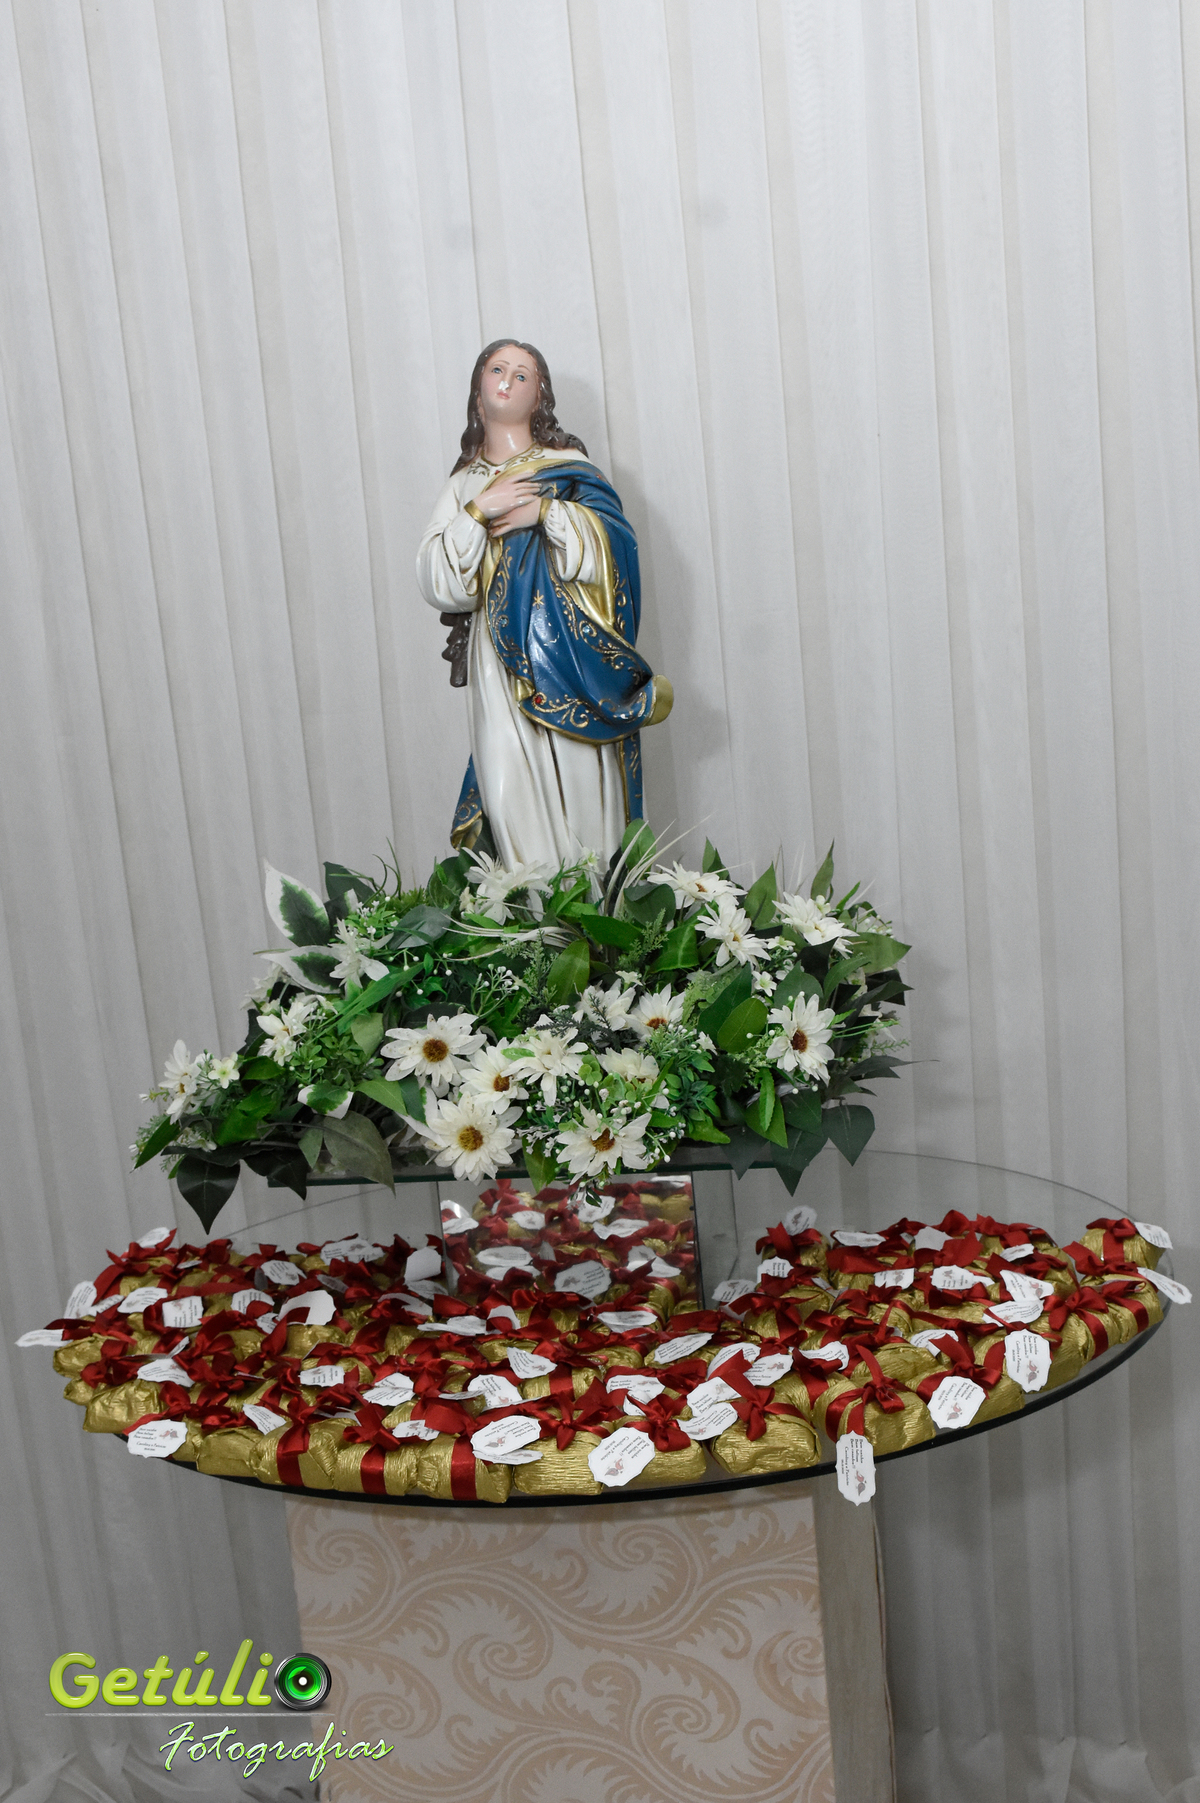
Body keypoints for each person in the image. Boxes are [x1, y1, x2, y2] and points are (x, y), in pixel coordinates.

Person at [416, 340, 671, 869]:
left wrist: (548, 514)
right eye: (497, 369)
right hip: (499, 665)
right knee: (507, 788)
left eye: (522, 375)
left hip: (570, 655)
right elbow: (440, 580)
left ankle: (594, 903)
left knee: (580, 790)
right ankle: (533, 911)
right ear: (478, 390)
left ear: (539, 398)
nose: (507, 380)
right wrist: (479, 511)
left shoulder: (568, 467)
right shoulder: (464, 484)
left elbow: (617, 548)